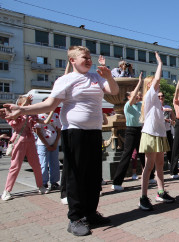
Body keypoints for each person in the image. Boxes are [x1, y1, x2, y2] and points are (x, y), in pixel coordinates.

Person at [1, 48, 119, 236]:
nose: (89, 60)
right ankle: (75, 218)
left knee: (93, 175)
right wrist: (22, 110)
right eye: (84, 58)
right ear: (72, 60)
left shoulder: (96, 77)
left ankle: (90, 213)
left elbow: (114, 91)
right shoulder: (65, 80)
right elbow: (49, 104)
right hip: (74, 132)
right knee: (75, 176)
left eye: (90, 58)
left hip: (94, 132)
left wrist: (109, 76)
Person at [138, 52, 175, 211]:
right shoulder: (150, 96)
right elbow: (158, 78)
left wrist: (168, 121)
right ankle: (143, 197)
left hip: (159, 135)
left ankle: (160, 192)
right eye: (154, 83)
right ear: (149, 85)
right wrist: (160, 63)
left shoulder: (156, 102)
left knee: (160, 165)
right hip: (151, 135)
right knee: (149, 166)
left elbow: (157, 118)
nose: (158, 85)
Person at [1, 96, 48, 201]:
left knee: (36, 165)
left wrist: (50, 113)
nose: (29, 103)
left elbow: (42, 121)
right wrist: (23, 107)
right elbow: (14, 121)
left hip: (30, 140)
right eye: (28, 101)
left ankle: (40, 186)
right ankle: (7, 191)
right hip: (19, 141)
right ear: (21, 103)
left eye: (30, 102)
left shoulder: (31, 113)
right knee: (15, 166)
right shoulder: (15, 113)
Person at [112, 73, 144, 191]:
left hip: (139, 130)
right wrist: (139, 83)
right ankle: (116, 182)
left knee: (143, 154)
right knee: (127, 155)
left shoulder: (139, 104)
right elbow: (135, 94)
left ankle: (150, 177)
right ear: (129, 96)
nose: (136, 96)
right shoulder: (127, 105)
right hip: (130, 131)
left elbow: (145, 98)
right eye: (133, 95)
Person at [36, 104, 62, 191]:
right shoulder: (39, 116)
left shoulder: (55, 115)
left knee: (54, 163)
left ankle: (54, 182)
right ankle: (43, 183)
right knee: (43, 163)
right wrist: (46, 144)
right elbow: (38, 131)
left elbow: (59, 130)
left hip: (54, 143)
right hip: (43, 144)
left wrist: (55, 143)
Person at [159, 91, 175, 175]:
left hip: (168, 130)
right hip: (159, 132)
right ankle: (159, 169)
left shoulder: (168, 106)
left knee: (170, 151)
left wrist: (171, 112)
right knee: (160, 152)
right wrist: (165, 119)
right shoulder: (155, 107)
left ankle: (173, 168)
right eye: (159, 96)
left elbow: (174, 118)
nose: (161, 98)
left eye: (162, 96)